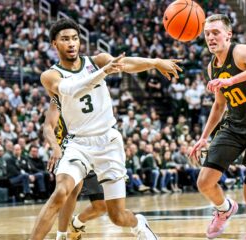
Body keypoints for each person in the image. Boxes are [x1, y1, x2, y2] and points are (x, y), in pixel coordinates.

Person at [30, 18, 181, 240]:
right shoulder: (51, 75)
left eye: (75, 38)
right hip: (77, 143)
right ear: (54, 44)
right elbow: (71, 89)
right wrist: (104, 72)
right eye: (65, 39)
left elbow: (126, 64)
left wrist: (156, 62)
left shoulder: (97, 60)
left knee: (117, 216)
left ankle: (139, 224)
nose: (71, 43)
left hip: (108, 142)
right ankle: (59, 234)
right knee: (61, 192)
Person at [189, 14, 246, 240]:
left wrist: (231, 80)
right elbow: (219, 106)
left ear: (228, 34)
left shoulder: (240, 52)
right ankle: (224, 208)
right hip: (234, 127)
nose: (210, 37)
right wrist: (204, 137)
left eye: (215, 32)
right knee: (204, 181)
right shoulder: (212, 67)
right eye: (207, 34)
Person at [43, 102, 107, 240]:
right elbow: (48, 126)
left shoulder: (93, 91)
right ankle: (61, 236)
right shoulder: (59, 95)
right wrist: (55, 147)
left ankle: (76, 223)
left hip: (92, 150)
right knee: (70, 190)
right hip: (68, 149)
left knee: (101, 207)